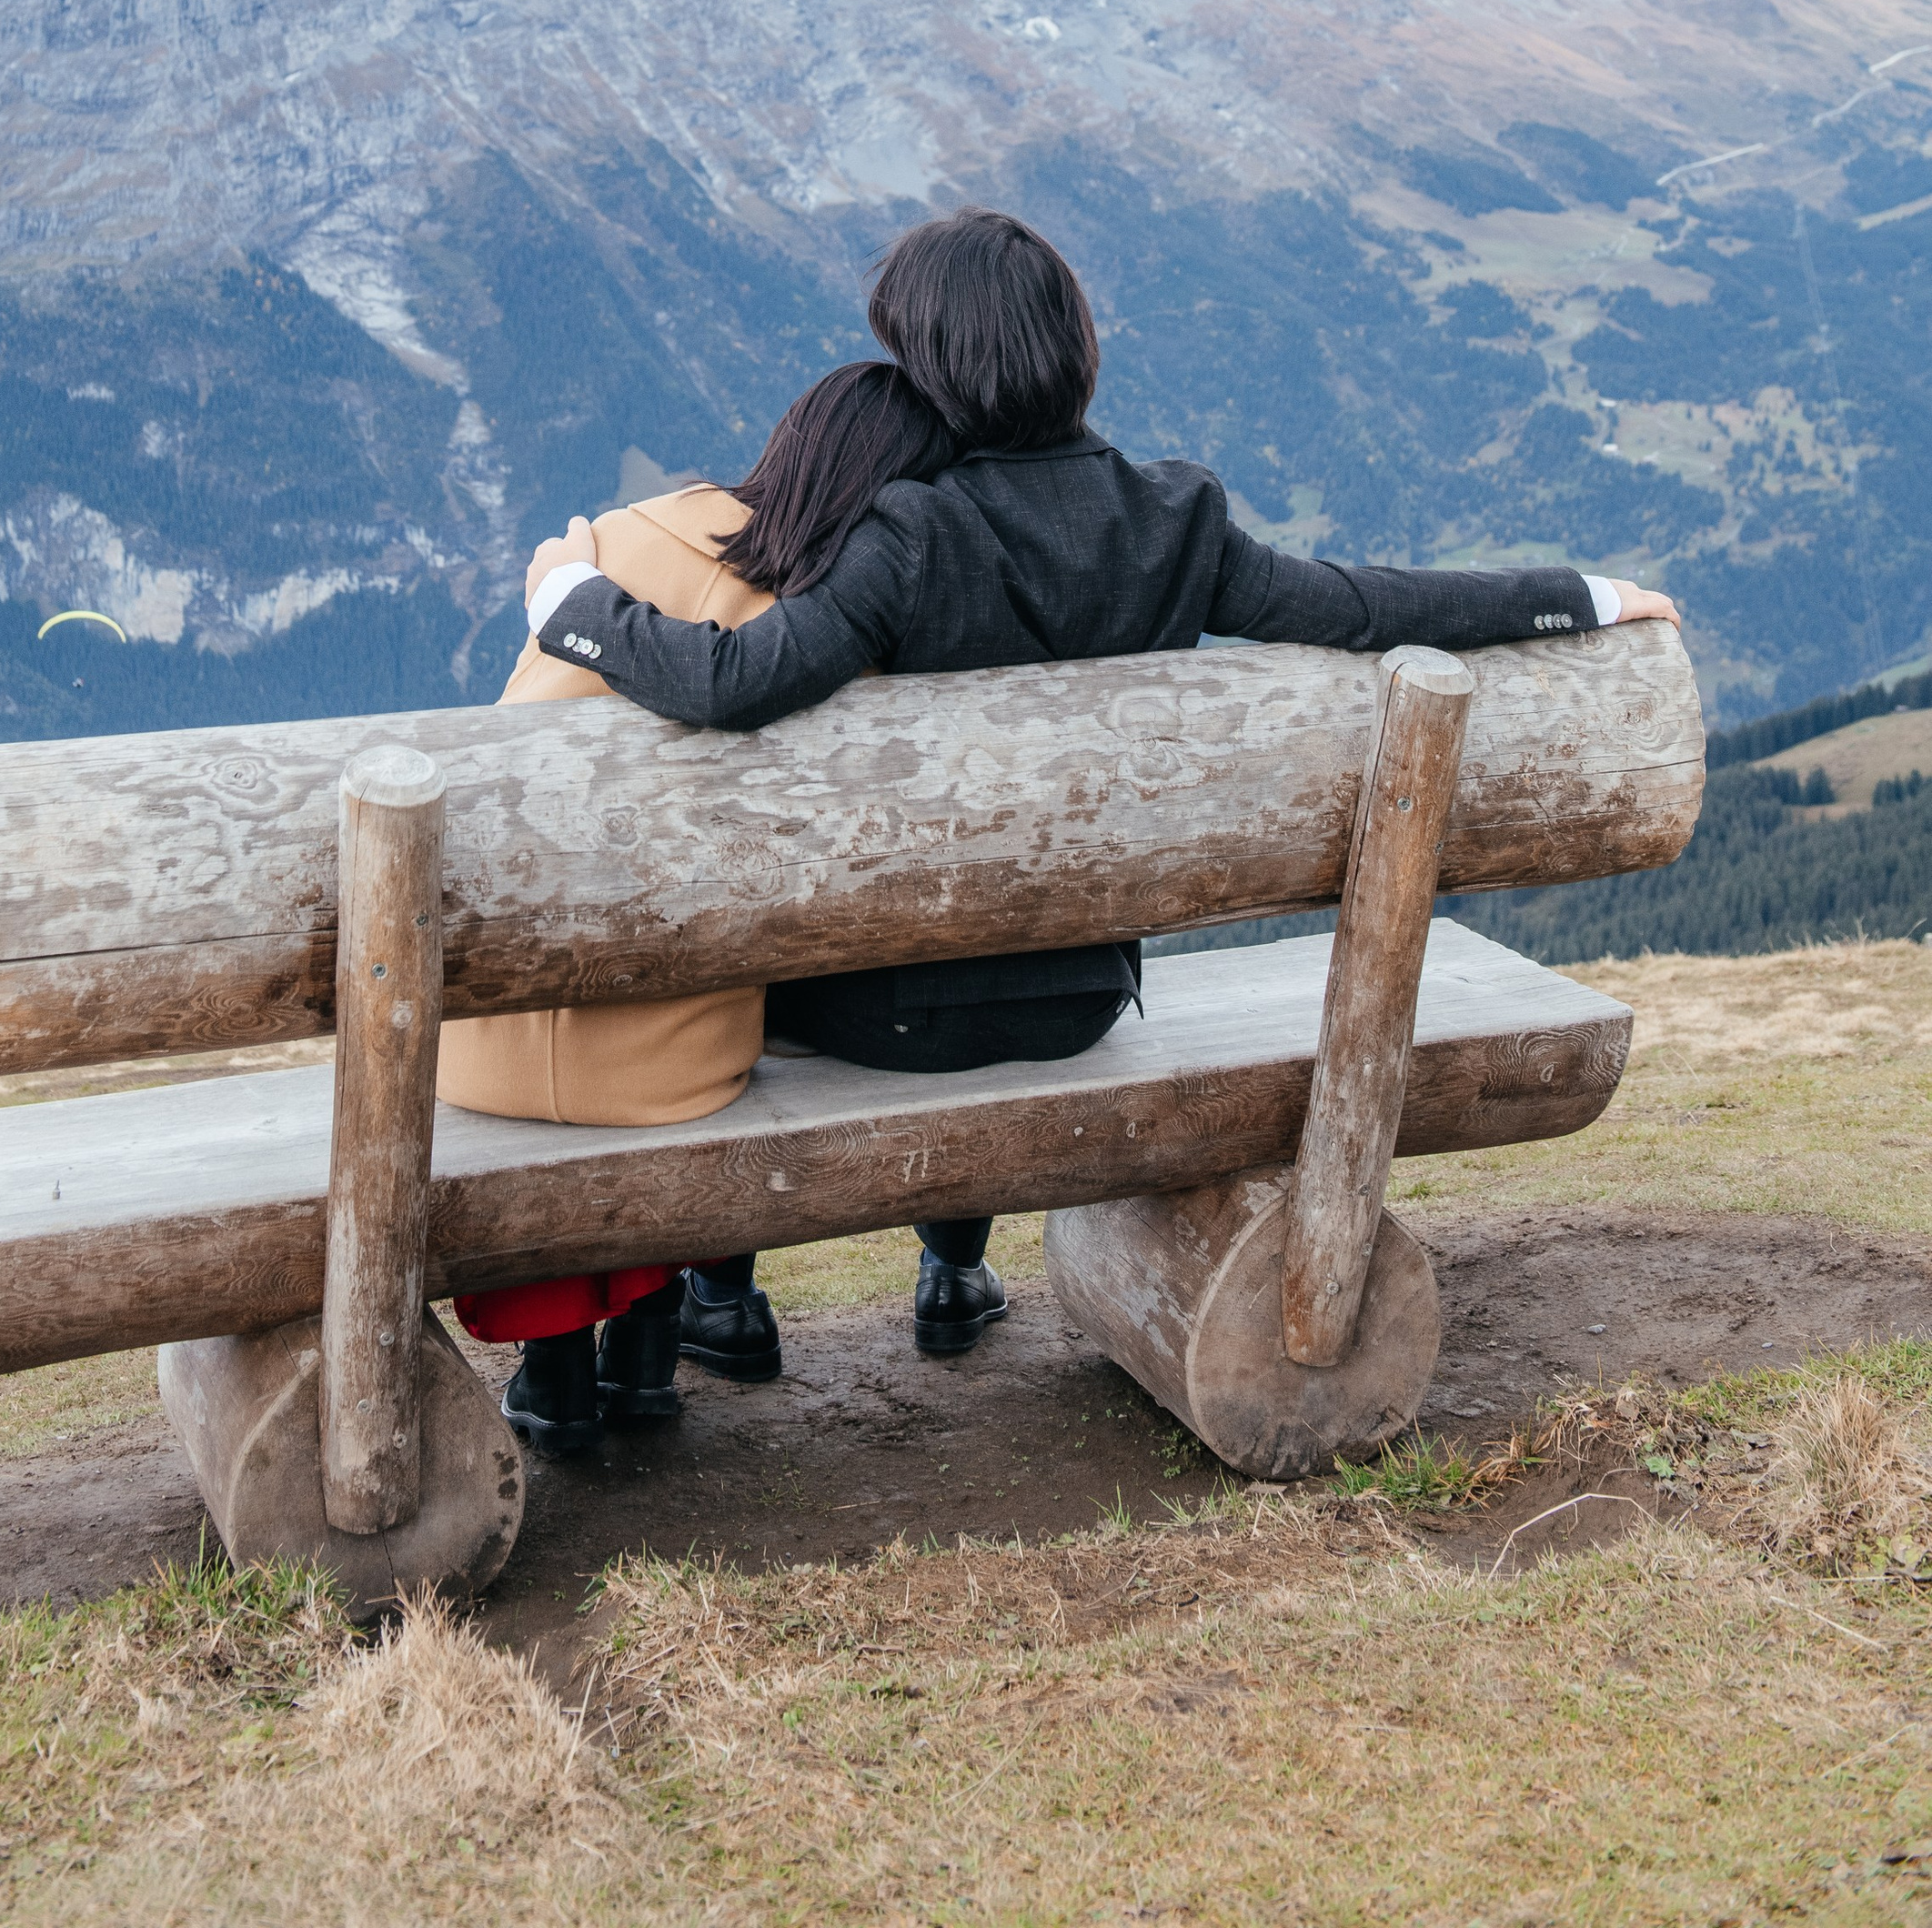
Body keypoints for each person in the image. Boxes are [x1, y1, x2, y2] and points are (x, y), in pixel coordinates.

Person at [523, 205, 1683, 1361]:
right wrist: (1576, 597)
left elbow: (730, 682)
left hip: (887, 1020)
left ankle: (711, 1306)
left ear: (935, 373)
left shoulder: (909, 534)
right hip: (1078, 1002)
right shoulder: (1175, 521)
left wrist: (577, 607)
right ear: (1076, 353)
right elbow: (1369, 606)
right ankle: (952, 1272)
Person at [440, 361, 955, 1456]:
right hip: (674, 1070)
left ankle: (558, 1376)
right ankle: (644, 1351)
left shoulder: (613, 547)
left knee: (603, 985)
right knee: (689, 1007)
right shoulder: (829, 623)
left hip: (485, 1048)